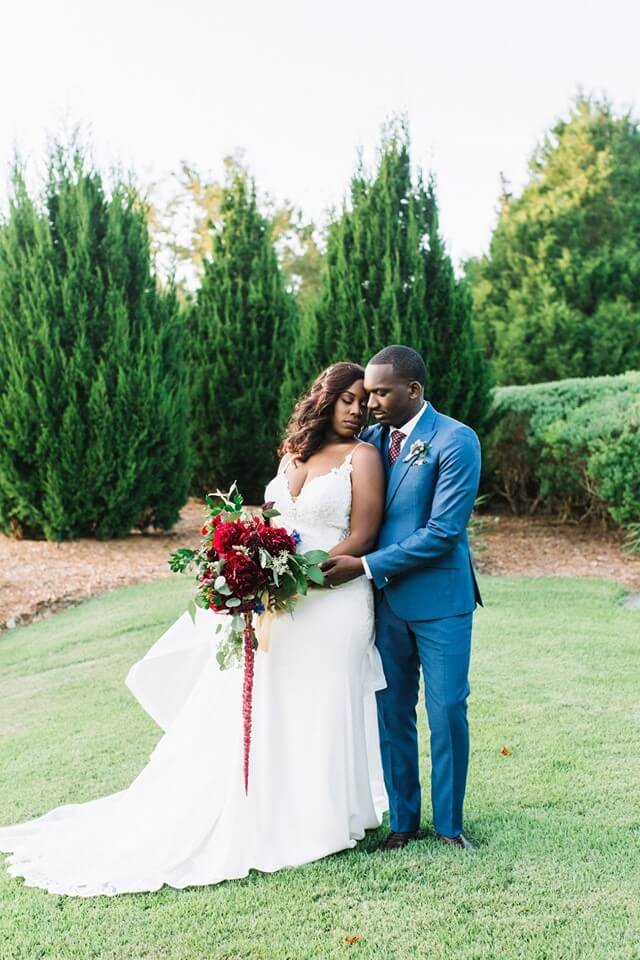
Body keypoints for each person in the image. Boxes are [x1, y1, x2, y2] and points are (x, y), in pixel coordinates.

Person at [0, 362, 388, 896]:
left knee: (322, 699)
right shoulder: (291, 453)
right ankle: (269, 805)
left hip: (334, 597)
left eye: (364, 401)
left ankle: (324, 814)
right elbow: (270, 521)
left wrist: (300, 572)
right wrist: (254, 564)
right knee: (271, 702)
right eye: (347, 398)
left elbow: (364, 534)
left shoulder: (363, 456)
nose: (357, 410)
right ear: (324, 398)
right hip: (276, 600)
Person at [323, 345, 482, 852]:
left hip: (440, 601)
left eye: (380, 392)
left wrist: (364, 565)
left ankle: (451, 825)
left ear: (412, 390)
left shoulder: (456, 441)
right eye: (366, 393)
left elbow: (442, 531)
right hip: (384, 603)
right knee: (392, 710)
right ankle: (404, 823)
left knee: (447, 709)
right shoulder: (369, 441)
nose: (369, 403)